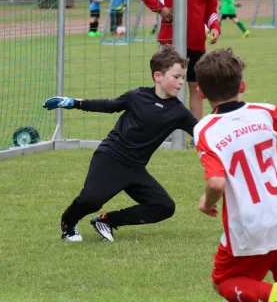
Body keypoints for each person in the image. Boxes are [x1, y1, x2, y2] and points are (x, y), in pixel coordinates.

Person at [192, 49, 277, 302]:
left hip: (249, 223)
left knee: (225, 281)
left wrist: (206, 203)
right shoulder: (264, 112)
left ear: (200, 92)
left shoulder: (205, 129)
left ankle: (271, 294)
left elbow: (216, 182)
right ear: (242, 85)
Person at [42, 45, 198, 242]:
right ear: (158, 76)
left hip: (135, 169)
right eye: (176, 77)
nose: (181, 82)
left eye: (183, 77)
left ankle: (106, 221)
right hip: (110, 157)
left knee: (164, 207)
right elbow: (109, 105)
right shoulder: (137, 96)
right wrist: (74, 102)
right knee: (92, 199)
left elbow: (202, 132)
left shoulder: (179, 112)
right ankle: (68, 223)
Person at [136, 0, 221, 121]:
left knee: (195, 88)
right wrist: (161, 8)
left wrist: (214, 27)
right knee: (166, 86)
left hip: (197, 42)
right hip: (170, 40)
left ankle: (196, 134)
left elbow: (211, 11)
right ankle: (162, 132)